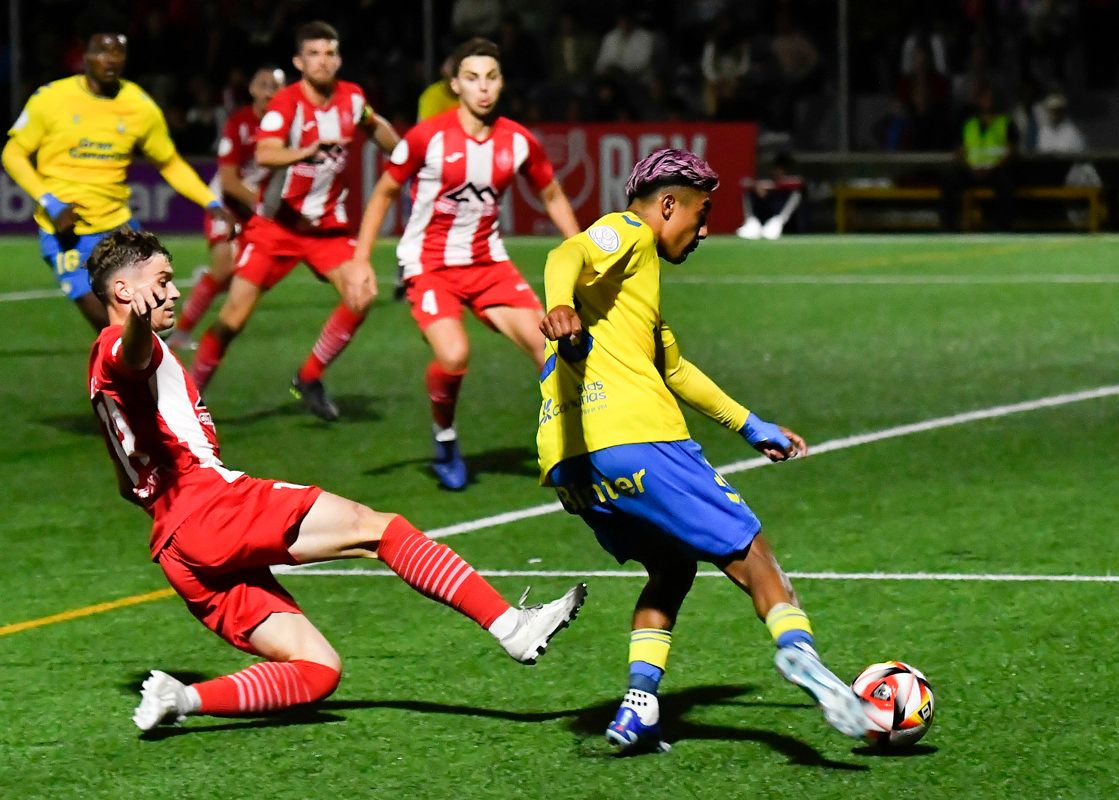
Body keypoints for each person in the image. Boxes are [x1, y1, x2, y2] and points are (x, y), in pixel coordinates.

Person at [85, 226, 587, 733]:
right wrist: (139, 325)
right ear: (124, 291)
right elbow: (130, 355)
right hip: (212, 507)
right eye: (162, 281)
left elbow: (128, 482)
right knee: (381, 530)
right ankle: (511, 626)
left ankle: (181, 698)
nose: (175, 292)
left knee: (317, 669)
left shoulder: (101, 372)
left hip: (176, 546)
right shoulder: (121, 347)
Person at [536, 149, 872, 753]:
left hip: (572, 467)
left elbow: (676, 370)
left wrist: (752, 426)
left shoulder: (626, 300)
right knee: (752, 553)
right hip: (638, 440)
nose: (706, 229)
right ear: (668, 205)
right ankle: (801, 654)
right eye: (702, 213)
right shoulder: (629, 231)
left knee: (672, 568)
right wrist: (558, 302)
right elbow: (567, 252)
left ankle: (638, 707)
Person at [350, 37, 580, 490]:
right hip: (429, 266)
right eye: (472, 78)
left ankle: (565, 446)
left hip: (488, 264)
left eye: (491, 77)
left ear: (502, 83)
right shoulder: (428, 137)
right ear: (455, 85)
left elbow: (551, 194)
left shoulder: (518, 141)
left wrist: (581, 251)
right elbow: (384, 192)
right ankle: (445, 437)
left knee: (551, 347)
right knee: (454, 356)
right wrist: (361, 260)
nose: (483, 87)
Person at [189, 21, 400, 422]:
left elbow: (375, 126)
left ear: (339, 59)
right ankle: (188, 397)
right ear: (299, 62)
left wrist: (405, 154)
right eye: (314, 54)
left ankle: (309, 376)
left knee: (361, 293)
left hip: (327, 229)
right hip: (277, 228)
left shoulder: (353, 98)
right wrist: (304, 151)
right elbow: (266, 152)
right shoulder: (286, 103)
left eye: (330, 53)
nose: (323, 61)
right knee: (232, 319)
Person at [1, 26, 237, 332]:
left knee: (149, 318)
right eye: (102, 51)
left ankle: (153, 358)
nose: (110, 59)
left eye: (118, 52)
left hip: (117, 226)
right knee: (110, 322)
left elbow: (169, 162)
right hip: (67, 233)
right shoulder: (51, 98)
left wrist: (211, 202)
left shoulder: (139, 105)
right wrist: (52, 203)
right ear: (86, 57)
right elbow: (13, 154)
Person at [171, 66, 285, 351]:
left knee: (247, 275)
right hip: (226, 203)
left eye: (275, 86)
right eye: (263, 85)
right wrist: (263, 205)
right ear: (252, 90)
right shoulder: (239, 124)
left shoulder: (288, 128)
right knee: (224, 267)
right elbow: (230, 182)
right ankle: (180, 335)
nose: (269, 91)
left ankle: (207, 285)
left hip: (255, 208)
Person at [941, 84, 1018, 231]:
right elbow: (960, 152)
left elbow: (1011, 152)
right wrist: (970, 168)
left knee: (1006, 185)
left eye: (991, 98)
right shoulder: (969, 124)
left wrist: (992, 168)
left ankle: (1002, 228)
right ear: (979, 100)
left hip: (995, 171)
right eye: (984, 98)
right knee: (950, 180)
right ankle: (949, 226)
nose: (988, 101)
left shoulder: (1005, 122)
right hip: (972, 171)